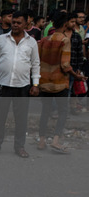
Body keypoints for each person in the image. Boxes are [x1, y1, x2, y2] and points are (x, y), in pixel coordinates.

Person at [0, 11, 40, 158]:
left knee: (21, 118)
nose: (15, 25)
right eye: (13, 22)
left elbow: (35, 64)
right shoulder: (1, 40)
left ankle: (19, 146)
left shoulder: (31, 42)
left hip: (23, 86)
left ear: (26, 24)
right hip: (3, 85)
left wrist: (35, 84)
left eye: (18, 22)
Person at [38, 13, 86, 153]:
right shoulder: (65, 40)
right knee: (63, 111)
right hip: (60, 82)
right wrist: (76, 76)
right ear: (65, 24)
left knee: (45, 112)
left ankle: (41, 141)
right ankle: (55, 141)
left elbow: (39, 61)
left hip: (45, 81)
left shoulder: (45, 40)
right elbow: (65, 65)